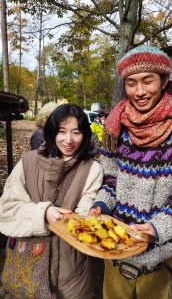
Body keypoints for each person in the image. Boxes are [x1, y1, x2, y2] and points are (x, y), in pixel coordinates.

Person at [89, 45, 172, 299]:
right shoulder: (116, 124)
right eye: (131, 83)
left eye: (148, 81)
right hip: (116, 244)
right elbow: (111, 177)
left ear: (164, 80)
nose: (140, 91)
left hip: (159, 251)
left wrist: (156, 229)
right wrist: (102, 203)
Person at [0, 104, 103, 299]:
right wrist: (43, 214)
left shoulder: (92, 169)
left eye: (76, 132)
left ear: (85, 135)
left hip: (71, 270)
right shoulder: (28, 161)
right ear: (51, 131)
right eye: (62, 132)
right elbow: (5, 209)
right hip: (25, 265)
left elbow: (84, 221)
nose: (69, 140)